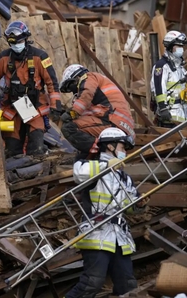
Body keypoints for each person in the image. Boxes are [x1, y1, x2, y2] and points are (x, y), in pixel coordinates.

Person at [65, 127, 148, 298]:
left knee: (128, 285)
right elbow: (79, 174)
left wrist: (139, 204)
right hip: (96, 232)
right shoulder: (88, 166)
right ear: (110, 146)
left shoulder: (124, 177)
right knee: (92, 282)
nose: (125, 152)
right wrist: (106, 165)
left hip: (119, 236)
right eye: (122, 147)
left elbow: (129, 207)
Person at [0, 20, 62, 157]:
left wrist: (55, 106)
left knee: (36, 148)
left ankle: (38, 171)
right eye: (13, 43)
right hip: (13, 106)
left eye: (19, 42)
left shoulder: (40, 57)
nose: (16, 46)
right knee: (11, 150)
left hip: (34, 107)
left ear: (26, 39)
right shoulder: (4, 57)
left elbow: (52, 83)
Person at [59, 64, 135, 160]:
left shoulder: (89, 77)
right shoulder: (99, 83)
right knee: (78, 128)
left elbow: (86, 96)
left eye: (71, 86)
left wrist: (71, 113)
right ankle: (89, 155)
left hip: (112, 121)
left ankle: (98, 153)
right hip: (118, 123)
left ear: (77, 77)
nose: (73, 91)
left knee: (69, 128)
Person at [150, 30, 187, 127]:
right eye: (178, 46)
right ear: (170, 47)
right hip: (169, 116)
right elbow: (158, 88)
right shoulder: (162, 66)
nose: (181, 49)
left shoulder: (180, 66)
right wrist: (163, 108)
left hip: (183, 114)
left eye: (182, 46)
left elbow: (184, 88)